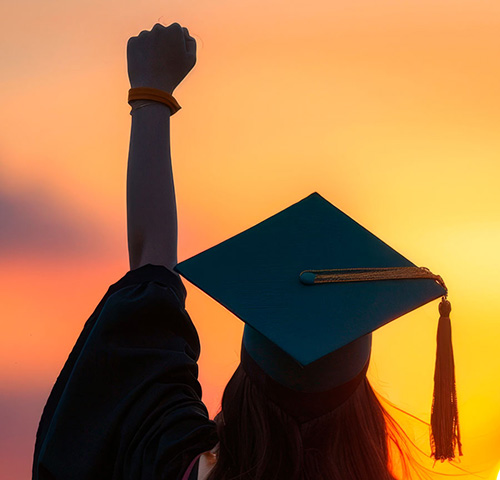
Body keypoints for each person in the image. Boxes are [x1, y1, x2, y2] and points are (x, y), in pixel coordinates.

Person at [32, 23, 461, 480]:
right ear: (366, 417)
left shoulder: (173, 462)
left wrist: (151, 93)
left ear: (245, 387)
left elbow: (150, 272)